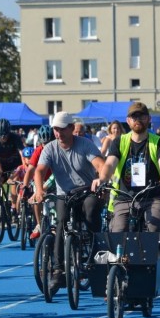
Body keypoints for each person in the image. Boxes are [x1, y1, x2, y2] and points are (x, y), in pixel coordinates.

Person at [34, 112, 105, 291]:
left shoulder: (85, 145)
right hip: (64, 194)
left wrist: (101, 179)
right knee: (60, 222)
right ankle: (58, 271)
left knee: (91, 211)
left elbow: (100, 164)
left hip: (86, 191)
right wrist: (40, 190)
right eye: (55, 130)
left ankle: (95, 255)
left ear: (72, 128)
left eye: (62, 129)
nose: (58, 134)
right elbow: (39, 171)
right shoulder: (49, 148)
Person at [92, 102, 160, 235]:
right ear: (128, 121)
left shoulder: (159, 141)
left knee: (155, 229)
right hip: (125, 197)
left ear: (149, 119)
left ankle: (155, 255)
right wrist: (102, 179)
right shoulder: (119, 141)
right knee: (117, 232)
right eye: (134, 117)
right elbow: (110, 163)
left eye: (142, 117)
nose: (138, 120)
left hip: (152, 197)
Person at [22, 125, 55, 239]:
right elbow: (30, 170)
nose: (46, 146)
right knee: (36, 198)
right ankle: (39, 224)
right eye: (44, 143)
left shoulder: (57, 149)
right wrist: (25, 186)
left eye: (49, 142)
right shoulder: (38, 150)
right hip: (42, 178)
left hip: (57, 178)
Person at [0, 118, 25, 220]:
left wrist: (24, 165)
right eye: (1, 136)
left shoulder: (15, 137)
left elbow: (22, 153)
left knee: (13, 181)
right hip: (0, 167)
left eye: (5, 135)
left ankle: (14, 207)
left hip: (14, 166)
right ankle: (0, 205)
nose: (3, 138)